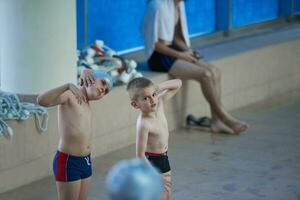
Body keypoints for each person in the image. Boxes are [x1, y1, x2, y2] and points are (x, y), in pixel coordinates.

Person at [141, 0, 249, 134]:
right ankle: (224, 116)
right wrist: (181, 55)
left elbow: (174, 38)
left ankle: (217, 122)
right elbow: (155, 45)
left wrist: (188, 51)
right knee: (206, 75)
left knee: (215, 71)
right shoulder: (157, 5)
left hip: (173, 51)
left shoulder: (177, 5)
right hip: (158, 57)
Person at [37, 69, 113, 200]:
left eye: (106, 91)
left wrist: (86, 71)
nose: (103, 90)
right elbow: (41, 100)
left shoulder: (87, 104)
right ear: (90, 80)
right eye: (103, 83)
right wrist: (67, 85)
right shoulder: (69, 95)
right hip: (68, 161)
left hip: (86, 161)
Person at [126, 77, 182, 200]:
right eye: (146, 98)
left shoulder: (159, 103)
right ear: (135, 104)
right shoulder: (143, 123)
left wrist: (158, 87)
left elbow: (178, 83)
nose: (152, 100)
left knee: (166, 194)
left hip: (163, 158)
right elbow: (140, 156)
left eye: (153, 94)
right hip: (152, 162)